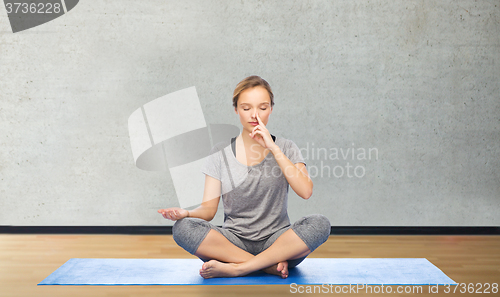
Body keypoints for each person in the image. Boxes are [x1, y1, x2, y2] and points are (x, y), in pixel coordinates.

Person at [157, 75, 330, 279]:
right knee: (182, 228)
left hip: (278, 242)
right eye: (246, 108)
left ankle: (239, 268)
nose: (254, 115)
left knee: (320, 223)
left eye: (262, 108)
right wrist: (185, 213)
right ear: (236, 109)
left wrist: (273, 148)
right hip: (232, 241)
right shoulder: (219, 153)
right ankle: (266, 266)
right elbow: (208, 210)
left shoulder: (286, 148)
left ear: (271, 109)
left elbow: (306, 191)